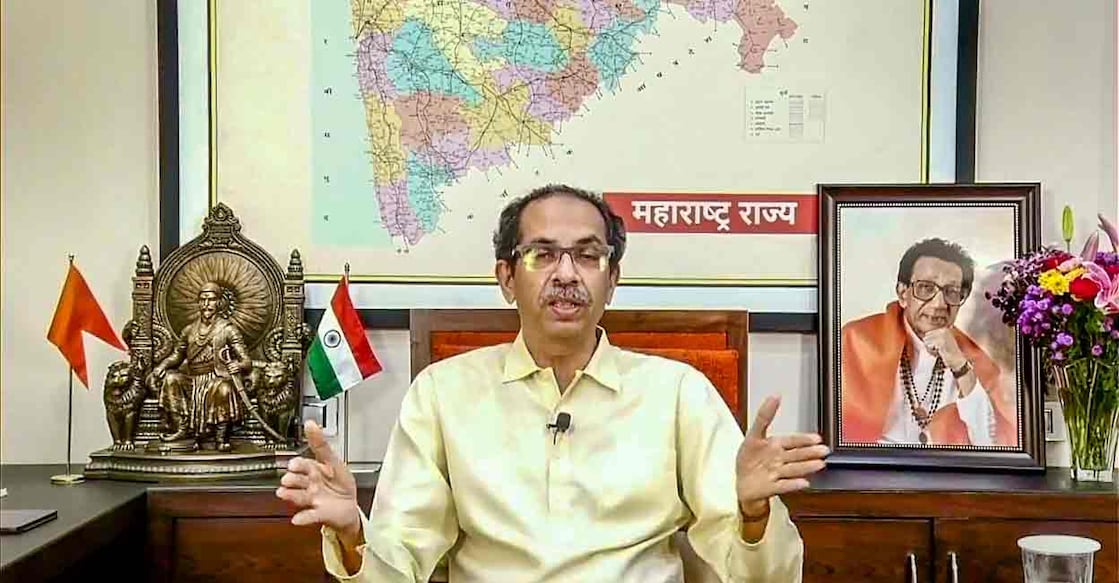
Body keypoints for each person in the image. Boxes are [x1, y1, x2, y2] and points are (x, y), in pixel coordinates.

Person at [277, 185, 828, 581]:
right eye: (542, 254)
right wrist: (353, 532)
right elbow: (400, 563)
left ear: (612, 280)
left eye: (588, 256)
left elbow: (761, 575)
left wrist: (753, 515)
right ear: (506, 278)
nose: (566, 273)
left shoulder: (679, 392)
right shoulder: (442, 393)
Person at [840, 238, 1016, 446]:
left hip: (947, 464)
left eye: (951, 292)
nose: (939, 304)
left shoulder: (973, 359)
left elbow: (991, 444)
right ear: (903, 294)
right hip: (871, 462)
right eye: (926, 288)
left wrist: (960, 367)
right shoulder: (856, 340)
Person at [147, 281, 251, 452]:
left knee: (224, 389)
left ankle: (221, 437)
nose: (206, 304)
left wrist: (237, 365)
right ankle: (181, 428)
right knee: (171, 379)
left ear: (219, 303)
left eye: (211, 300)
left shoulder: (228, 329)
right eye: (203, 300)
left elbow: (246, 360)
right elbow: (177, 356)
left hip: (217, 377)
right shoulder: (189, 330)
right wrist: (161, 367)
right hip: (193, 378)